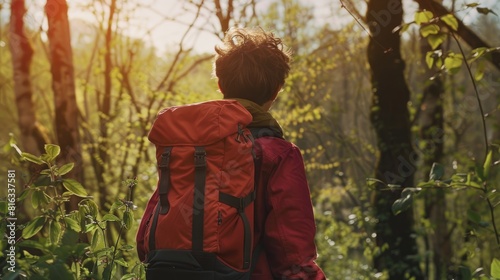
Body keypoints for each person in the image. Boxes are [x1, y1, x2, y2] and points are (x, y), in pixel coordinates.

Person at [213, 27, 326, 280]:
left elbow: (146, 241)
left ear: (220, 85)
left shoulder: (187, 146)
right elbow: (293, 256)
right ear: (276, 90)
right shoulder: (279, 154)